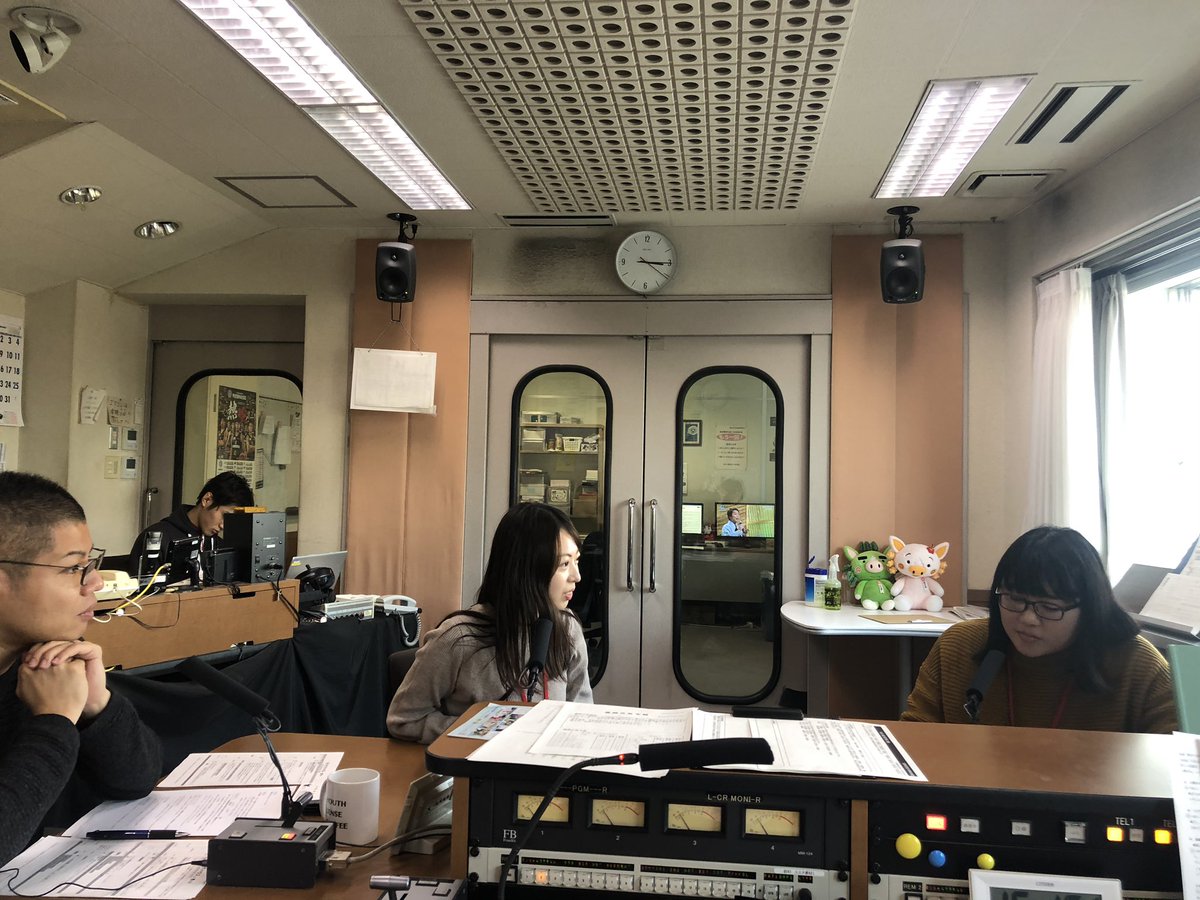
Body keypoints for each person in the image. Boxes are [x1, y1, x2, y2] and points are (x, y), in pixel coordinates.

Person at [0, 472, 162, 865]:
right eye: (74, 568)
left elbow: (137, 780)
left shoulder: (47, 661)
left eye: (91, 564)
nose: (95, 583)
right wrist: (54, 722)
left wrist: (96, 707)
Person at [902, 525, 1177, 732]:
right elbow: (915, 740)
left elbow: (1180, 768)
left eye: (1049, 607)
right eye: (1014, 599)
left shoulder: (1139, 666)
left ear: (1090, 607)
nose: (1028, 619)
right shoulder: (957, 647)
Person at [387, 502, 594, 744]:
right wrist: (484, 730)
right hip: (476, 766)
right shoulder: (457, 638)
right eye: (564, 564)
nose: (577, 576)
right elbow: (403, 720)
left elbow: (582, 716)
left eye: (576, 561)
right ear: (527, 569)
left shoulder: (567, 629)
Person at [128, 471, 254, 573]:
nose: (223, 526)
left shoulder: (220, 546)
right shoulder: (157, 538)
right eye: (224, 515)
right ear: (207, 499)